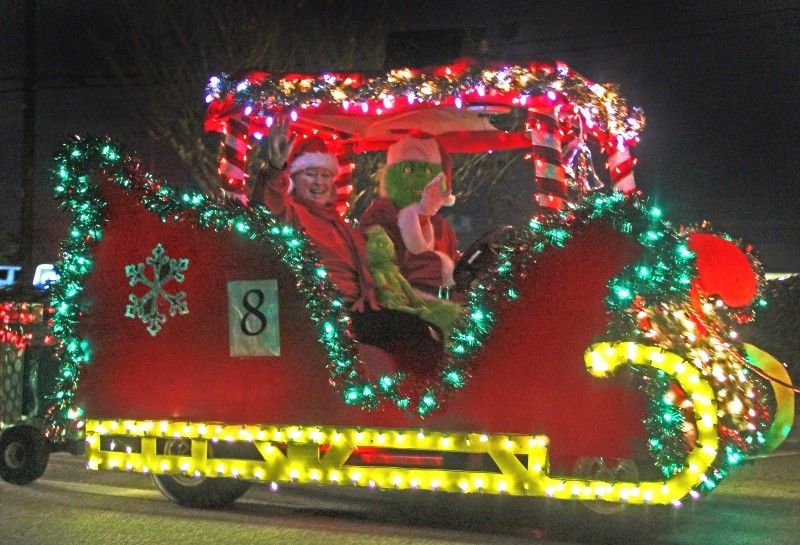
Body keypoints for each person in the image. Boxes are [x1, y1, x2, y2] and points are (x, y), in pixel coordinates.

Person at [252, 116, 445, 376]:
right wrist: (276, 166)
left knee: (427, 329)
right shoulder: (293, 213)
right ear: (294, 179)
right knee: (413, 333)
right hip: (323, 312)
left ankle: (420, 395)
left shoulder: (339, 224)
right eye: (310, 174)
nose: (319, 183)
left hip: (358, 307)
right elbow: (267, 207)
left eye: (325, 176)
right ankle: (416, 404)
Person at [359, 135, 459, 294]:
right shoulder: (380, 215)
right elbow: (382, 266)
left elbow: (454, 265)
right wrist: (421, 217)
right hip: (395, 309)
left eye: (427, 170)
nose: (420, 178)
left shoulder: (441, 227)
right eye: (409, 170)